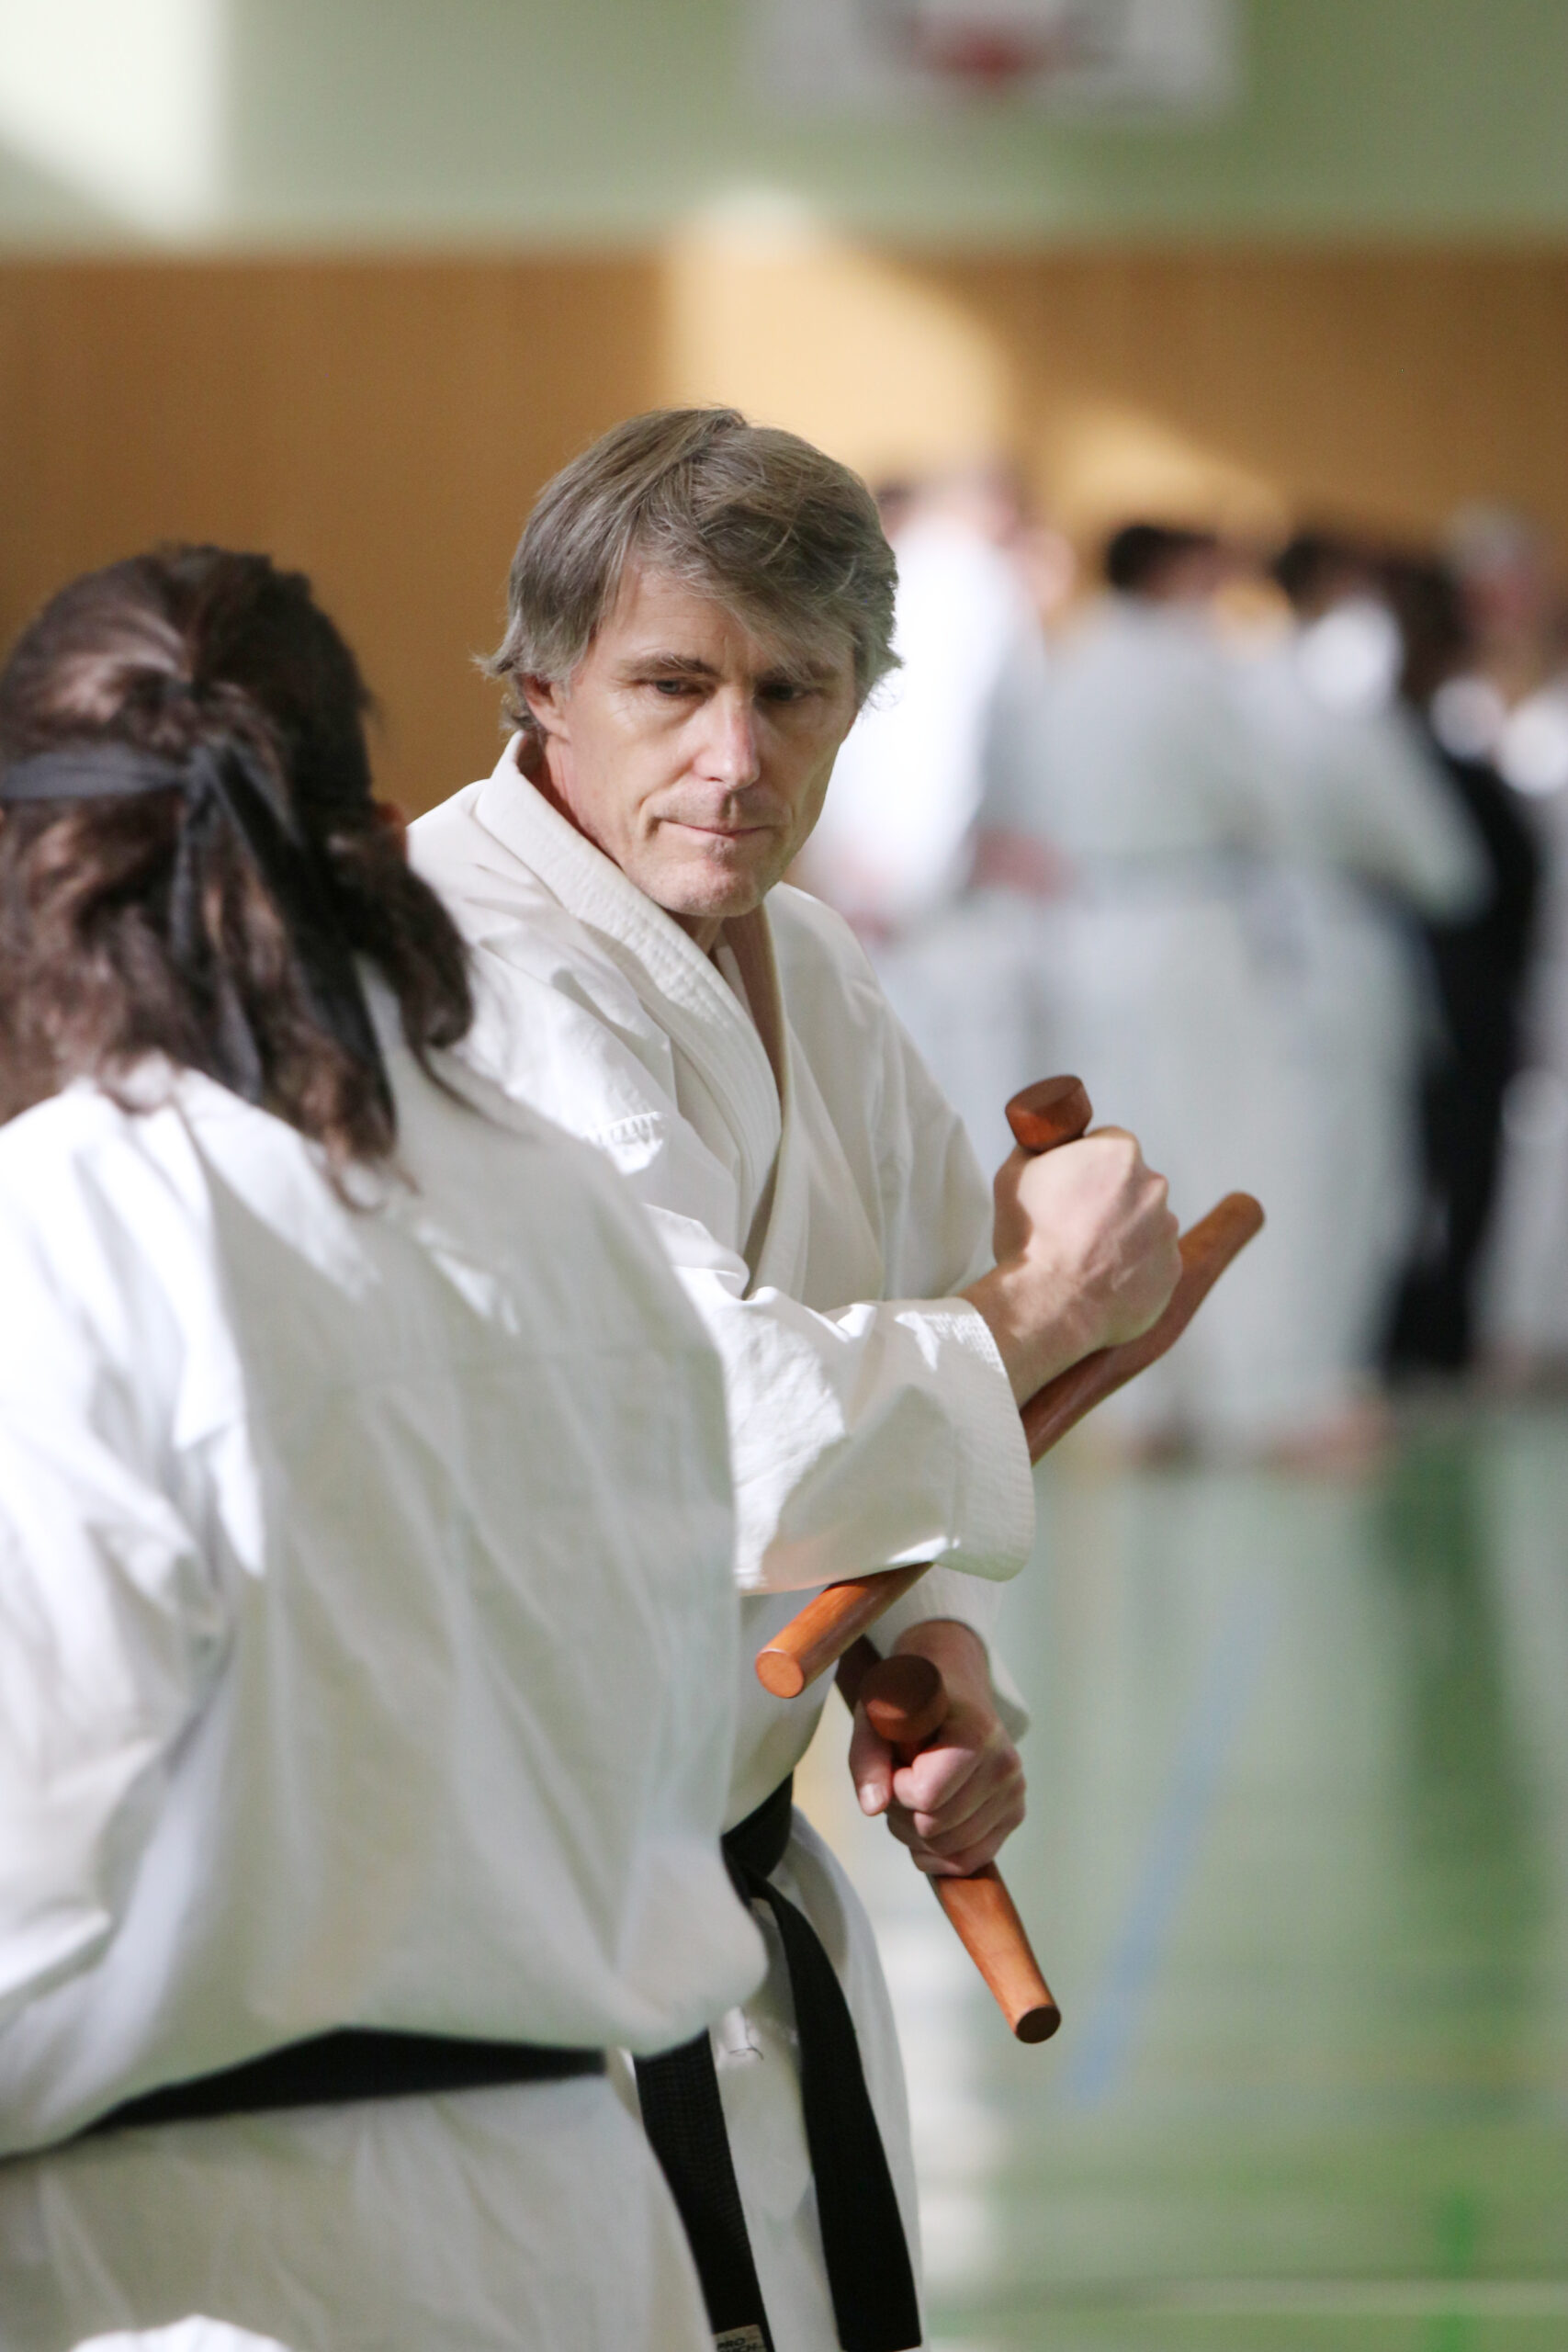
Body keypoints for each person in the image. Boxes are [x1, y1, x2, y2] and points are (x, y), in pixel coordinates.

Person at [411, 408, 1181, 2352]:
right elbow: (727, 1428)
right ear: (541, 681)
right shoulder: (464, 964)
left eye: (792, 693)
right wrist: (1046, 1302)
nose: (735, 758)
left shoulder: (807, 961)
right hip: (489, 1952)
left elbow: (904, 1337)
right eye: (672, 685)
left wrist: (929, 1663)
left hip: (730, 1882)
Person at [0, 548, 766, 2351]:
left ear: (36, 871)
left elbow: (27, 1863)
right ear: (377, 840)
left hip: (179, 2260)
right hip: (574, 2224)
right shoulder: (569, 1214)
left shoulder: (66, 1227)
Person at [1233, 533, 1483, 1456]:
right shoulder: (1341, 705)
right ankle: (1316, 1387)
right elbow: (1448, 867)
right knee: (1348, 1183)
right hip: (1343, 958)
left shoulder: (1240, 689)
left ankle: (1272, 1383)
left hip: (1250, 955)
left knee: (1274, 1167)